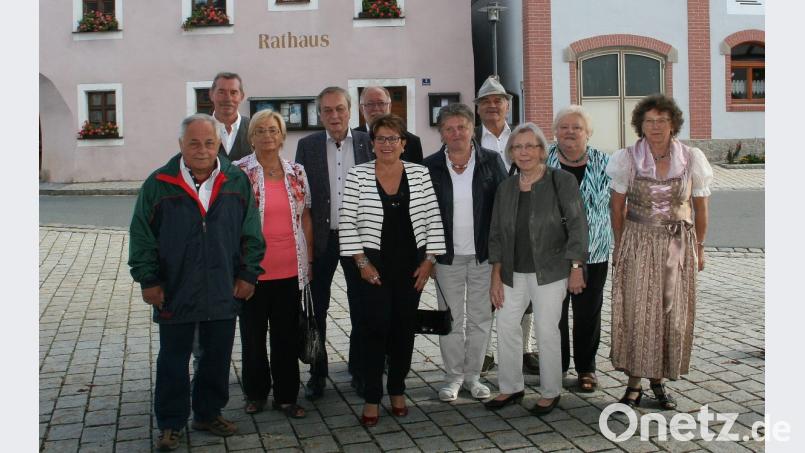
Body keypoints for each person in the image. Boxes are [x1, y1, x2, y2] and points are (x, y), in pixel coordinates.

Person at [128, 114, 264, 451]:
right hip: (175, 289)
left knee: (216, 357)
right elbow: (142, 236)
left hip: (223, 286)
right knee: (173, 361)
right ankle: (170, 423)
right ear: (181, 145)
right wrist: (148, 279)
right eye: (194, 143)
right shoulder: (158, 183)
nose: (202, 150)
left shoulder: (236, 180)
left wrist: (248, 274)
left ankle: (207, 413)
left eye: (208, 143)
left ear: (218, 145)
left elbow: (251, 232)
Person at [339, 114, 446, 426]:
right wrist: (361, 263)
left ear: (403, 144)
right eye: (381, 138)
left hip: (411, 266)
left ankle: (397, 389)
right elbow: (347, 221)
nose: (387, 144)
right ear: (372, 144)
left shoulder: (420, 173)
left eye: (393, 139)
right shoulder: (357, 175)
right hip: (372, 266)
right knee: (374, 329)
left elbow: (433, 218)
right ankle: (372, 396)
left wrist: (429, 262)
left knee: (403, 329)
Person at [607, 94, 712, 409]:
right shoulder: (627, 158)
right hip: (638, 242)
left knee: (670, 313)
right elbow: (616, 207)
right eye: (649, 121)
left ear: (673, 124)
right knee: (638, 311)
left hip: (677, 245)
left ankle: (658, 380)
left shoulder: (691, 158)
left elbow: (700, 207)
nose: (655, 127)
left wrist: (700, 248)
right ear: (640, 125)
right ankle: (634, 383)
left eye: (662, 121)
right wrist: (620, 244)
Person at [486, 122, 588, 416]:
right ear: (511, 152)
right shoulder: (506, 188)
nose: (524, 152)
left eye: (530, 146)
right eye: (518, 147)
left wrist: (576, 266)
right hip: (511, 272)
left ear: (542, 150)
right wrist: (495, 275)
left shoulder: (561, 181)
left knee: (546, 330)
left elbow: (578, 225)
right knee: (506, 326)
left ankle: (550, 391)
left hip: (551, 271)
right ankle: (510, 387)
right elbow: (496, 234)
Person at [423, 103, 507, 402]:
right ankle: (453, 377)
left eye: (462, 127)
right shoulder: (429, 166)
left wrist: (500, 257)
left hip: (483, 256)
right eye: (449, 128)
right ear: (441, 133)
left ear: (473, 129)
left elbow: (503, 210)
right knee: (451, 319)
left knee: (480, 318)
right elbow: (422, 215)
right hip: (446, 258)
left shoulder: (491, 161)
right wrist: (429, 257)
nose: (456, 133)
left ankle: (473, 376)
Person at [294, 86, 373, 400]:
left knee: (362, 308)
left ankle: (360, 370)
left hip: (360, 241)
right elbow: (302, 198)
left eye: (340, 108)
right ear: (319, 114)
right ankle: (317, 373)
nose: (334, 115)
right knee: (317, 309)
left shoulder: (368, 143)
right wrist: (305, 248)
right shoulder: (308, 145)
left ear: (350, 111)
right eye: (327, 110)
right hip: (322, 240)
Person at [234, 110, 312, 418]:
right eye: (260, 130)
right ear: (251, 137)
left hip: (290, 269)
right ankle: (255, 394)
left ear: (282, 136)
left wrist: (310, 260)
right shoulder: (239, 172)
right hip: (252, 272)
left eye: (273, 130)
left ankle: (286, 397)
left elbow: (306, 217)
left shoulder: (297, 171)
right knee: (253, 338)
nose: (267, 136)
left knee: (286, 337)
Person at [473, 76, 539, 376]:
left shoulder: (523, 136)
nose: (492, 106)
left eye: (497, 101)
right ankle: (485, 352)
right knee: (486, 290)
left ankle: (524, 350)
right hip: (483, 225)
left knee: (525, 289)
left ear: (508, 106)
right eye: (485, 102)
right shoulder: (471, 138)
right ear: (477, 108)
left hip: (521, 224)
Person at [546, 106, 612, 392]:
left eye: (577, 127)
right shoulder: (542, 160)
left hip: (594, 252)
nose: (570, 132)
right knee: (553, 314)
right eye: (564, 127)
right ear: (555, 132)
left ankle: (586, 368)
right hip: (552, 253)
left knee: (588, 313)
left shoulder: (605, 162)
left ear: (588, 133)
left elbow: (618, 205)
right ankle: (556, 366)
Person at [356, 86, 423, 163]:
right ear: (361, 109)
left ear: (390, 107)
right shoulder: (352, 139)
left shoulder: (412, 141)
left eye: (381, 103)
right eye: (370, 104)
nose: (376, 108)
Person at [210, 72, 252, 162]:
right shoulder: (199, 129)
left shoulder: (254, 128)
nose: (228, 98)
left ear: (242, 96)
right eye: (221, 92)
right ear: (211, 94)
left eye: (233, 92)